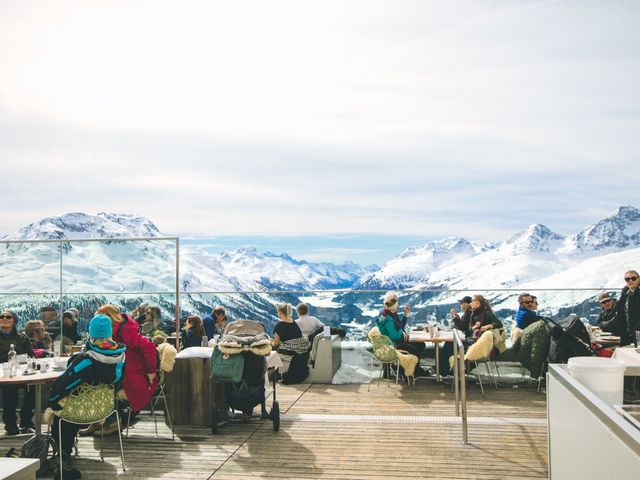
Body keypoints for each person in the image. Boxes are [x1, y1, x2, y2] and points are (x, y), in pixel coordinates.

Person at [45, 313, 126, 480]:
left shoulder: (86, 361)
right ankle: (65, 453)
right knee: (73, 407)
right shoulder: (119, 358)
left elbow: (62, 385)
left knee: (61, 413)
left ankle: (62, 456)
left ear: (91, 334)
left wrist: (52, 403)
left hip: (79, 413)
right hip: (103, 411)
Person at [80, 304, 157, 436]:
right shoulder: (119, 329)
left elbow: (148, 346)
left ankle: (113, 422)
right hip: (123, 370)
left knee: (101, 385)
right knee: (93, 381)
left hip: (132, 375)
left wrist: (151, 371)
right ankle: (98, 420)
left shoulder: (125, 331)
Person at [0, 309, 36, 435]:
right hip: (3, 375)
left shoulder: (22, 338)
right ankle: (10, 425)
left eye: (8, 317)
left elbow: (30, 356)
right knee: (9, 392)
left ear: (14, 321)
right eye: (2, 316)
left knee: (33, 390)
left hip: (20, 373)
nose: (4, 319)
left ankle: (26, 421)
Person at [375, 292, 426, 376]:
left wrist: (405, 314)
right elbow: (394, 335)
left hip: (397, 341)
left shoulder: (390, 313)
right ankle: (412, 371)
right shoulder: (387, 318)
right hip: (393, 344)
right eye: (394, 306)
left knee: (420, 344)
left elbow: (400, 326)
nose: (396, 309)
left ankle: (411, 368)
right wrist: (401, 333)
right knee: (415, 349)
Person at [617, 270, 640, 346]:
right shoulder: (625, 294)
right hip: (627, 334)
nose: (630, 281)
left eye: (633, 278)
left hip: (638, 333)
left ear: (638, 279)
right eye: (627, 279)